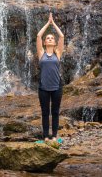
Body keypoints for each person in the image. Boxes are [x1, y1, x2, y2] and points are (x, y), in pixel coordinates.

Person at [36, 12, 64, 142]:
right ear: (45, 42)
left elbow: (62, 36)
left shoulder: (57, 53)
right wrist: (47, 23)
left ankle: (54, 136)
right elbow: (38, 35)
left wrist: (54, 24)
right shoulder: (41, 52)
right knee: (45, 112)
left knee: (55, 112)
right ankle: (46, 136)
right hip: (43, 87)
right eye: (48, 38)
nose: (50, 39)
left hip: (57, 86)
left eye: (52, 38)